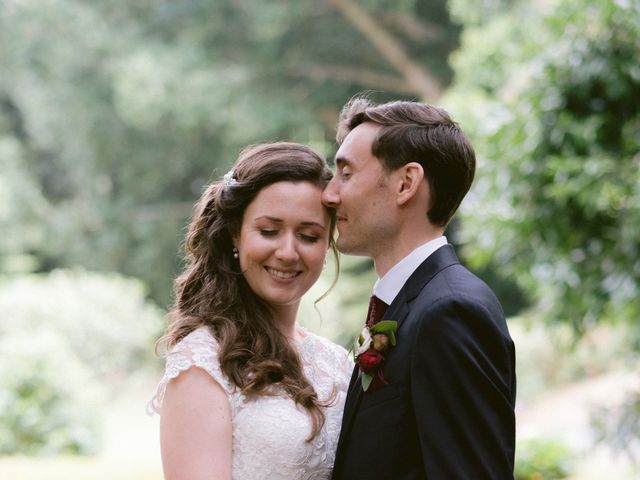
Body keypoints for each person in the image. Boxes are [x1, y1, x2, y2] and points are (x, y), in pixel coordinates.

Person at [322, 97, 516, 479]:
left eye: (345, 173)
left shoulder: (451, 311)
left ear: (406, 183)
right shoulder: (412, 305)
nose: (329, 195)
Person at [148, 142, 353, 480]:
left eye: (308, 235)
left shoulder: (338, 362)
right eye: (269, 231)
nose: (288, 252)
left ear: (327, 243)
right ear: (235, 235)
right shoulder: (203, 362)